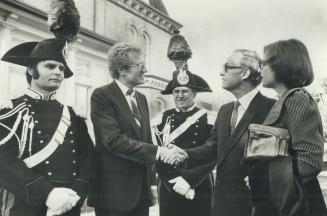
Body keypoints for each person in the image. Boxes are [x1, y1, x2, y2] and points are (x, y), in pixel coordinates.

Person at [87, 42, 188, 216]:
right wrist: (159, 151)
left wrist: (152, 184)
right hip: (113, 193)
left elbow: (145, 140)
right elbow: (113, 141)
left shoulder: (141, 98)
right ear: (122, 70)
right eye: (140, 65)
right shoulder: (102, 95)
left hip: (140, 194)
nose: (145, 70)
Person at [172, 49, 275, 216]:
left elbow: (271, 162)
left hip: (255, 205)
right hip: (222, 204)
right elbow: (213, 148)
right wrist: (184, 153)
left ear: (245, 73)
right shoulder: (225, 110)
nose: (221, 72)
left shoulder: (271, 109)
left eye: (227, 67)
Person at [0, 38, 94, 216]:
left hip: (68, 203)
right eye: (50, 66)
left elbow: (88, 158)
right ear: (30, 69)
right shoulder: (10, 112)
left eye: (61, 68)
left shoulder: (73, 115)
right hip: (26, 204)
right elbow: (4, 162)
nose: (58, 72)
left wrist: (76, 195)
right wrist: (48, 194)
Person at [249, 39, 327, 216]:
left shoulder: (297, 99)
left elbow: (310, 162)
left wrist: (263, 176)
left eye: (264, 63)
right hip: (286, 198)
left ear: (282, 65)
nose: (260, 68)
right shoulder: (286, 100)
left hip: (297, 203)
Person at [153, 69, 215, 216]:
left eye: (185, 91)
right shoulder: (161, 118)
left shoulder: (209, 118)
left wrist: (189, 181)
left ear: (194, 93)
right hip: (170, 184)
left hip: (199, 184)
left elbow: (213, 153)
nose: (180, 95)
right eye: (176, 91)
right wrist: (172, 181)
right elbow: (156, 153)